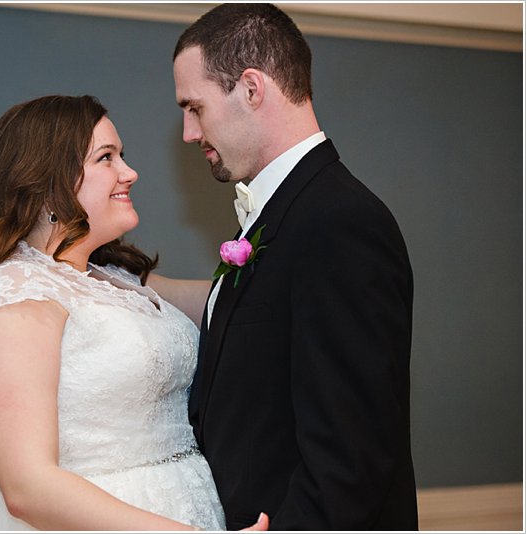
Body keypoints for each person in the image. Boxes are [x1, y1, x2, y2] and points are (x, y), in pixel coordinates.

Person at [0, 94, 253, 531]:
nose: (129, 172)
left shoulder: (114, 278)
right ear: (46, 185)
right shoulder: (11, 298)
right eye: (106, 158)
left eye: (122, 156)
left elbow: (228, 300)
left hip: (187, 505)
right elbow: (28, 487)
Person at [151, 3, 418, 530]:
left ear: (251, 88)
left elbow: (351, 456)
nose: (188, 132)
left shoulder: (341, 222)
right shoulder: (282, 214)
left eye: (194, 107)